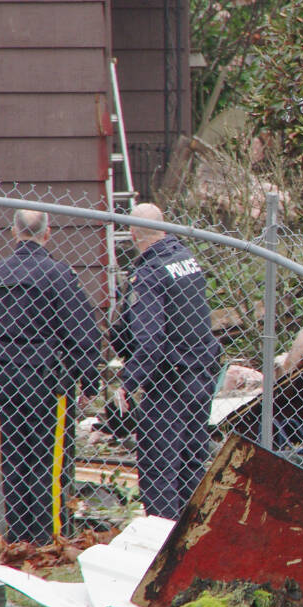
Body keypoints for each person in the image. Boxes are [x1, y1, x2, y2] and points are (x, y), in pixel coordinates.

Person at [0, 209, 103, 544]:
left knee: (13, 460)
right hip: (49, 381)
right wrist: (89, 380)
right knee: (49, 461)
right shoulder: (59, 276)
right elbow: (84, 333)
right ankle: (48, 540)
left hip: (5, 381)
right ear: (47, 232)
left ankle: (18, 538)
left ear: (14, 232)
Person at [113, 203, 221, 519]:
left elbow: (150, 342)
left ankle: (161, 543)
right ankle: (190, 541)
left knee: (159, 469)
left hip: (169, 385)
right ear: (164, 228)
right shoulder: (186, 260)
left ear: (132, 233)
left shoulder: (149, 275)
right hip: (200, 378)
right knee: (191, 463)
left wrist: (128, 382)